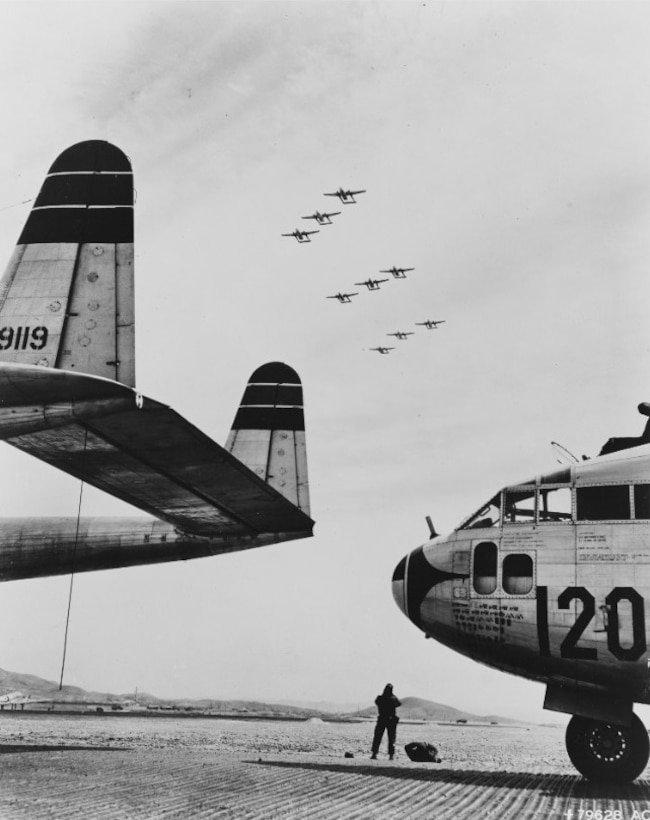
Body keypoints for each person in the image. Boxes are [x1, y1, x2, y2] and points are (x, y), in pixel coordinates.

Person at [370, 683, 401, 760]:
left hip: (382, 719)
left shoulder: (380, 698)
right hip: (391, 720)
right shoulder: (393, 698)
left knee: (378, 737)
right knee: (391, 738)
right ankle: (391, 755)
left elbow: (377, 702)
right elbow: (398, 704)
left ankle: (374, 753)